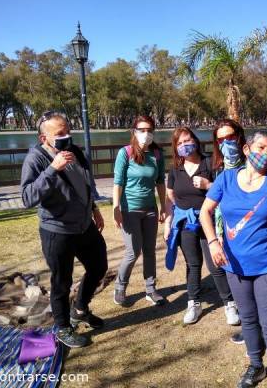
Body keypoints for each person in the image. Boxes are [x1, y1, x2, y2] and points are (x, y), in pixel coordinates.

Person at [200, 131, 267, 388]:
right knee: (247, 319)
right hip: (234, 265)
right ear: (247, 149)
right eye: (261, 148)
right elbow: (205, 211)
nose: (266, 155)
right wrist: (214, 242)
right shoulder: (225, 179)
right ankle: (256, 366)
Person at [20, 111, 108, 348]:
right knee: (62, 282)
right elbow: (27, 197)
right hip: (57, 230)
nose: (66, 136)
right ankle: (63, 328)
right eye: (59, 134)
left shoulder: (77, 152)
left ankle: (79, 309)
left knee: (99, 266)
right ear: (43, 138)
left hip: (84, 225)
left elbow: (85, 184)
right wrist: (52, 169)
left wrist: (94, 209)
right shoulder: (36, 158)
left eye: (67, 130)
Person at [164, 127, 240, 325]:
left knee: (216, 262)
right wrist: (168, 222)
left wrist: (208, 185)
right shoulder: (175, 169)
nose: (184, 146)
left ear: (195, 141)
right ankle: (193, 302)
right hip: (185, 223)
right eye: (179, 143)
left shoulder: (210, 163)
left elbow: (225, 190)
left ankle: (229, 303)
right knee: (192, 264)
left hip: (208, 220)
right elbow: (169, 196)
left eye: (187, 140)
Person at [112, 115, 166, 307]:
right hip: (129, 210)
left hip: (150, 209)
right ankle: (120, 287)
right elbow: (118, 182)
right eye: (142, 130)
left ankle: (151, 289)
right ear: (134, 131)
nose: (146, 134)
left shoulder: (157, 154)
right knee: (133, 252)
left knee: (150, 251)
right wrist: (116, 207)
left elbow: (160, 182)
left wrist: (163, 206)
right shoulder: (125, 153)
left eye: (150, 130)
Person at [211, 119, 247, 343]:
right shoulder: (220, 169)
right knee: (237, 279)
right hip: (226, 232)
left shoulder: (250, 164)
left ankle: (261, 327)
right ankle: (249, 324)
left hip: (247, 231)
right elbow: (215, 206)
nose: (226, 143)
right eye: (221, 139)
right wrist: (217, 234)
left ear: (240, 137)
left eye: (230, 137)